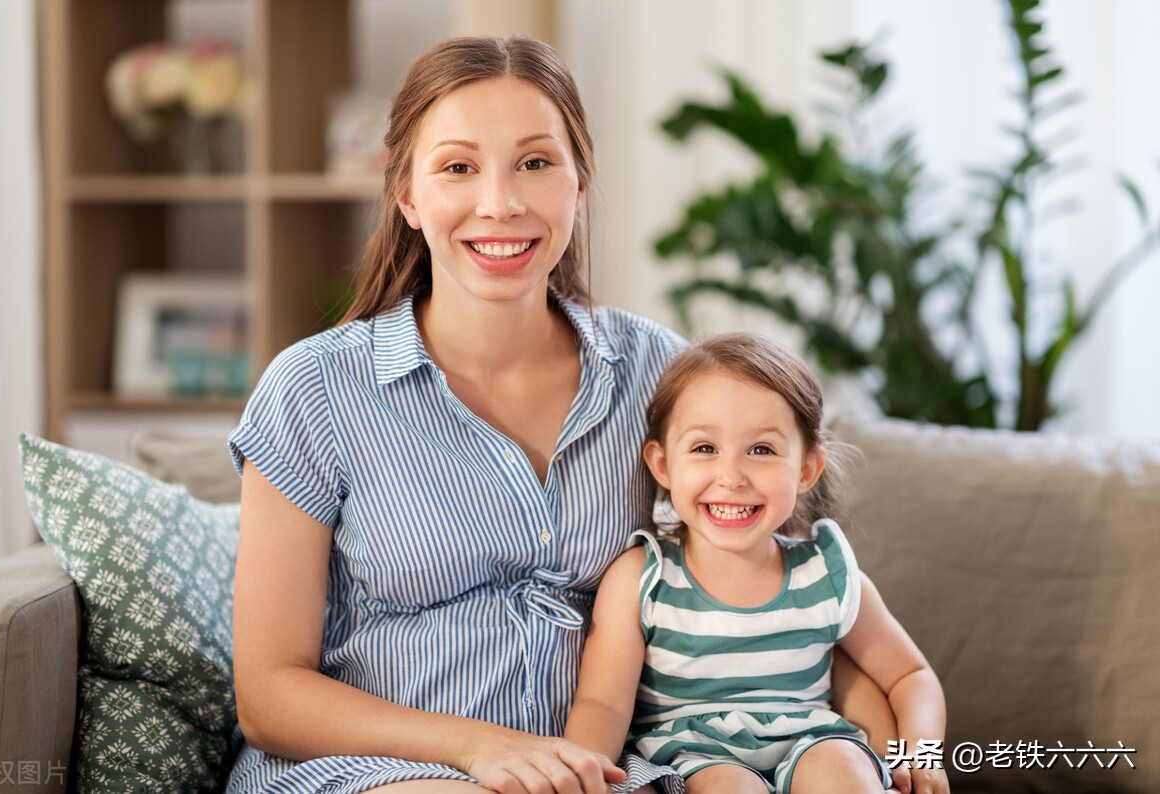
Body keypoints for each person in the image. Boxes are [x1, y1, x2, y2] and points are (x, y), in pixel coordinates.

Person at [227, 35, 894, 794]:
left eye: (536, 163)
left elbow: (781, 597)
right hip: (375, 770)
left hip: (603, 773)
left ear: (579, 184)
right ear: (408, 195)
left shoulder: (660, 377)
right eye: (458, 167)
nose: (500, 203)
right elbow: (269, 693)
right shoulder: (314, 389)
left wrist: (896, 752)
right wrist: (481, 750)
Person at [564, 333, 950, 794]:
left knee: (845, 771)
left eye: (762, 450)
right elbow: (603, 703)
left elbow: (911, 675)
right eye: (704, 448)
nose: (731, 477)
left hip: (812, 741)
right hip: (694, 758)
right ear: (662, 464)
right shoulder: (641, 577)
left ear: (806, 469)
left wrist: (920, 758)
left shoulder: (828, 573)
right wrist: (583, 774)